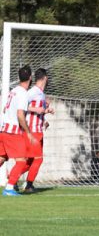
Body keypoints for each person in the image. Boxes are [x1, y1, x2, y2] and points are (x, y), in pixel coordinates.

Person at [0, 65, 37, 196]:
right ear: (30, 78)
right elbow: (20, 114)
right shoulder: (23, 93)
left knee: (1, 158)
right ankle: (9, 188)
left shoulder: (13, 91)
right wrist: (28, 132)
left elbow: (5, 109)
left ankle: (10, 187)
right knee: (22, 162)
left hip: (4, 130)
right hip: (13, 132)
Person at [22, 68, 54, 192]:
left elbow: (38, 111)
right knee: (38, 159)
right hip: (32, 131)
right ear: (45, 78)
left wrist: (44, 120)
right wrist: (37, 110)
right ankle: (28, 185)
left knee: (30, 160)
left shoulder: (41, 93)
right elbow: (22, 105)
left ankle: (12, 180)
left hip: (38, 130)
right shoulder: (33, 91)